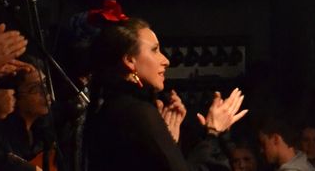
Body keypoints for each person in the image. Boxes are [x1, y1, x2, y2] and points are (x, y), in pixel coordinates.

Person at [83, 15, 248, 171]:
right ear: (130, 60)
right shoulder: (137, 112)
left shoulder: (113, 106)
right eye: (154, 50)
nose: (166, 61)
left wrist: (167, 144)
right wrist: (213, 132)